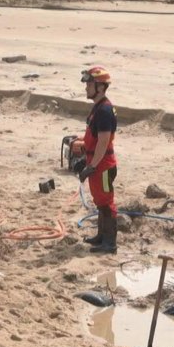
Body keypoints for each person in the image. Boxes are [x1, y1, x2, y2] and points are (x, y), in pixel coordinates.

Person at [78, 65, 119, 254]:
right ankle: (102, 236)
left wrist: (92, 166)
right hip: (97, 164)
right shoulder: (99, 108)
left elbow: (103, 142)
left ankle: (110, 243)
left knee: (106, 202)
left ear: (100, 87)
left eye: (89, 84)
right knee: (100, 201)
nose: (86, 87)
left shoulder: (104, 110)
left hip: (102, 166)